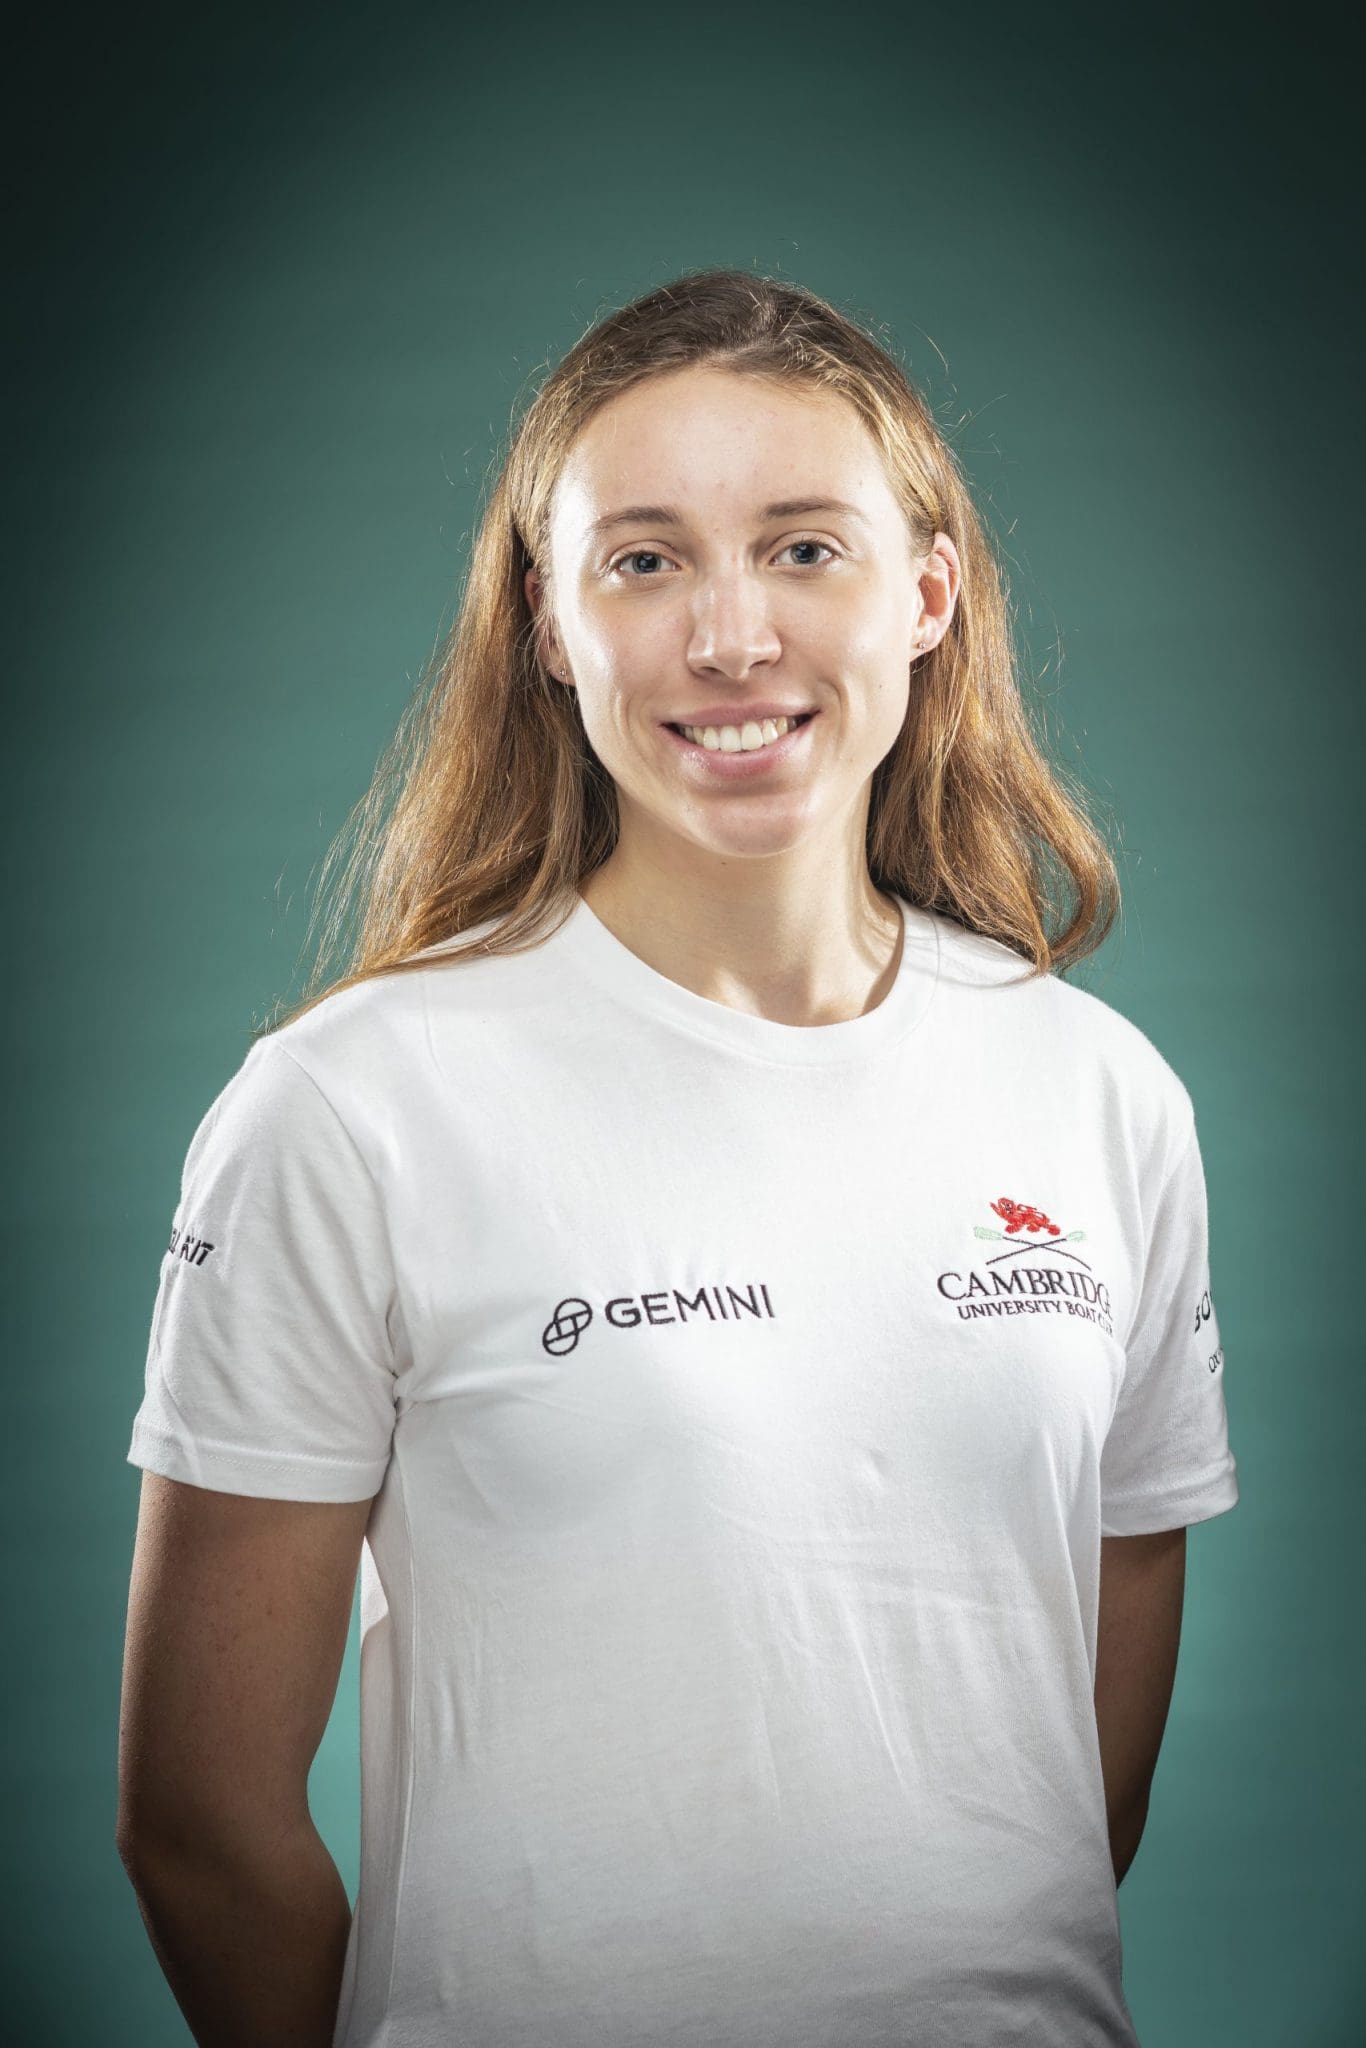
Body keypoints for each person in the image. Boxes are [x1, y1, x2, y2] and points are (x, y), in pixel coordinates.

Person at [116, 268, 1239, 2048]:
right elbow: (197, 1827)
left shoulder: (1101, 1093)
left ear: (926, 595)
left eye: (804, 548)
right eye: (642, 561)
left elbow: (1078, 1748)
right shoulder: (348, 1108)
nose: (729, 638)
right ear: (550, 626)